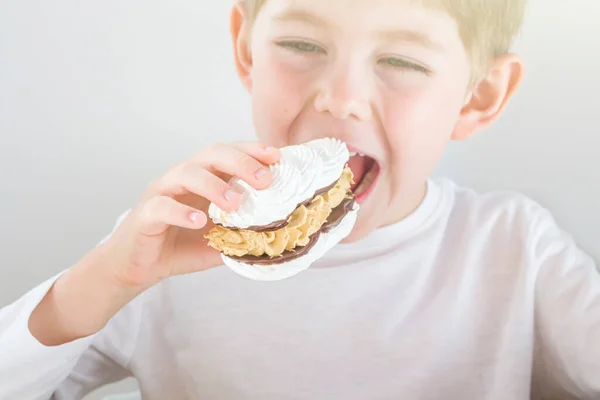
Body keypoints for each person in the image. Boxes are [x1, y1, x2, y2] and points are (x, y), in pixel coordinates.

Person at [1, 0, 598, 399]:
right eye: (303, 46)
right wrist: (105, 281)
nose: (341, 98)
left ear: (478, 97)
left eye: (400, 60)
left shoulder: (516, 249)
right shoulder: (164, 247)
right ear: (247, 52)